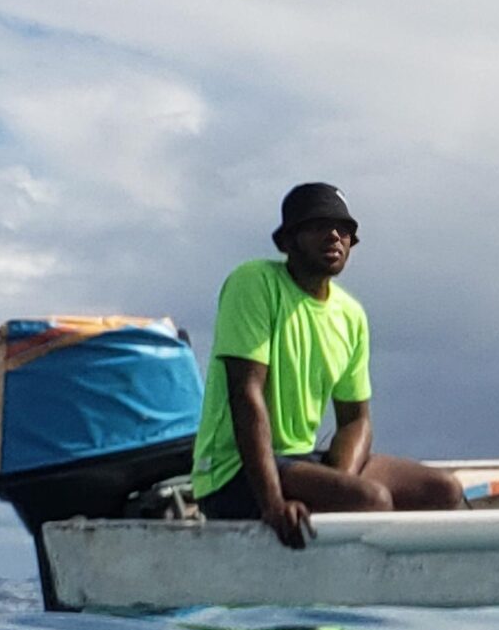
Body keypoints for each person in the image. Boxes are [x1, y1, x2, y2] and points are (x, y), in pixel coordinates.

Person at [191, 182, 464, 546]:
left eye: (344, 229)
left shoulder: (350, 314)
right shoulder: (254, 283)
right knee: (371, 500)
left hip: (304, 461)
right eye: (318, 226)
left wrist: (341, 482)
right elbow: (246, 393)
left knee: (443, 490)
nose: (334, 235)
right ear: (287, 242)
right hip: (236, 472)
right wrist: (273, 503)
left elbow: (355, 419)